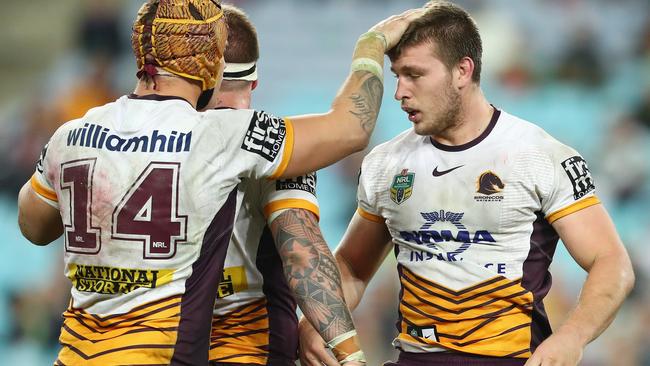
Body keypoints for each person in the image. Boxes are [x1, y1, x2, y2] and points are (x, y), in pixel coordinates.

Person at [16, 0, 426, 364]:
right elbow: (351, 128)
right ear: (209, 66)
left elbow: (33, 226)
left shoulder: (71, 133)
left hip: (76, 354)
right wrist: (371, 47)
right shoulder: (221, 135)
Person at [298, 2, 635, 366]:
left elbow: (611, 262)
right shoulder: (386, 163)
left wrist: (572, 338)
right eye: (396, 75)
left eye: (414, 74)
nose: (400, 92)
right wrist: (318, 320)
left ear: (462, 70)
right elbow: (351, 265)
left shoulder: (540, 156)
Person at [204, 5, 362, 365]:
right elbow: (302, 254)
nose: (222, 108)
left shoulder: (149, 141)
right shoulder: (275, 145)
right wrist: (352, 355)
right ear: (255, 80)